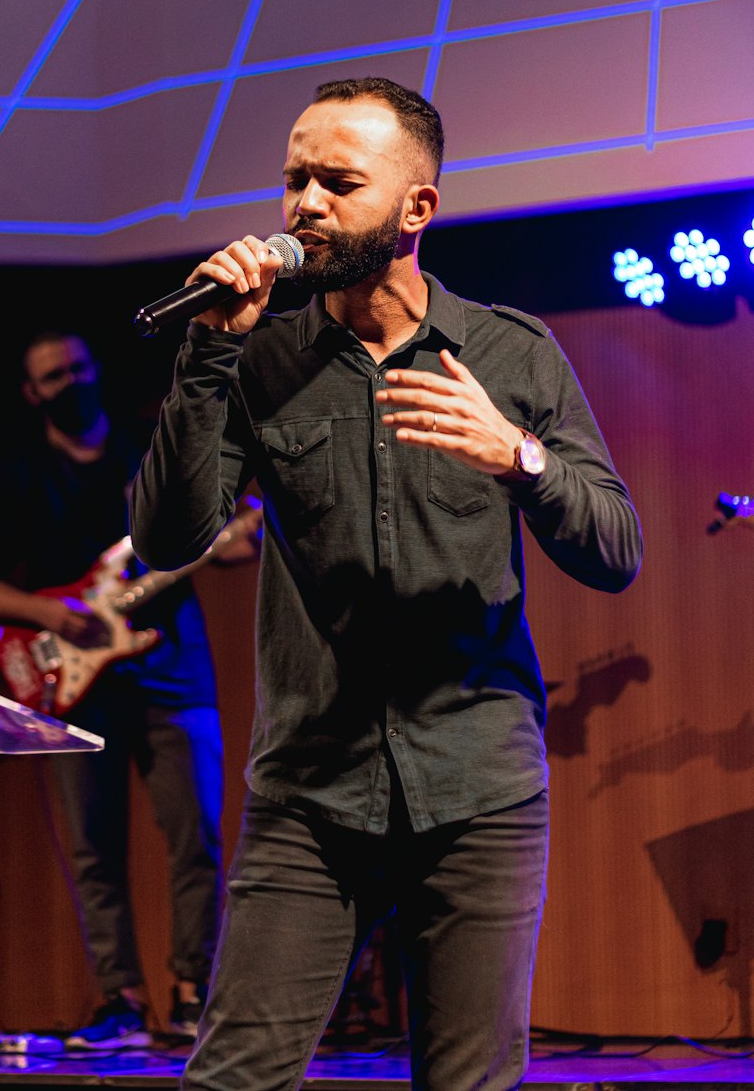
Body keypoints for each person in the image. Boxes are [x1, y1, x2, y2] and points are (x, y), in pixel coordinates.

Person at [130, 77, 643, 1091]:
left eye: (337, 182)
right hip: (311, 793)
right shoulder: (256, 356)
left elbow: (616, 549)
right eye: (294, 181)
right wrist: (207, 355)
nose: (304, 206)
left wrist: (520, 458)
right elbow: (166, 538)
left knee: (466, 1081)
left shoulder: (509, 352)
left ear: (416, 209)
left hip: (477, 790)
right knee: (233, 1076)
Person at [0, 331, 248, 1048]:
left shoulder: (152, 446)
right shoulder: (22, 475)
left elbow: (227, 538)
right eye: (54, 376)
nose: (71, 382)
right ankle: (118, 999)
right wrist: (49, 613)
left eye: (79, 368)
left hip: (174, 673)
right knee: (93, 849)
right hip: (75, 685)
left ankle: (193, 991)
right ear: (33, 393)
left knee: (196, 836)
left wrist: (239, 540)